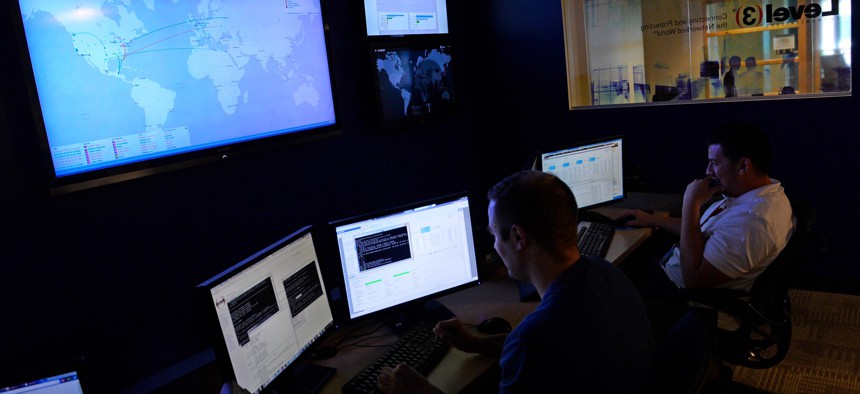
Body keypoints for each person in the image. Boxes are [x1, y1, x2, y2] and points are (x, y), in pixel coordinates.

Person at [376, 170, 655, 394]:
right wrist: (477, 344)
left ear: (519, 238)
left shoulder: (535, 339)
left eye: (495, 235)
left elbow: (538, 343)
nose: (495, 247)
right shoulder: (606, 272)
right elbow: (554, 346)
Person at [617, 121, 794, 335]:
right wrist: (653, 220)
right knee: (621, 265)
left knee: (609, 283)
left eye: (714, 163)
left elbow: (695, 280)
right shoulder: (753, 195)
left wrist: (691, 203)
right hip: (675, 270)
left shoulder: (754, 222)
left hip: (689, 299)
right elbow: (699, 231)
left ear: (743, 166)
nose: (708, 171)